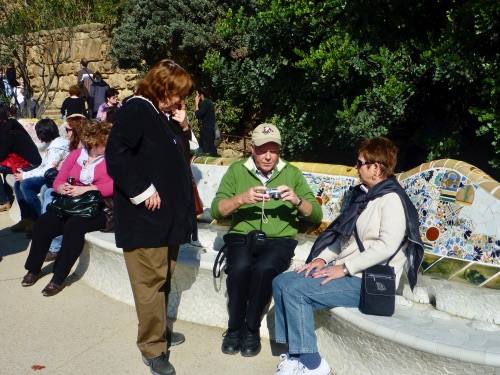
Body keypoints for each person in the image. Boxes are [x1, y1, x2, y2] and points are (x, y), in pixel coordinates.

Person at [271, 137, 424, 375]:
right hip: (350, 271)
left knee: (295, 291)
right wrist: (321, 259)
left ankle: (313, 365)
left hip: (368, 281)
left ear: (376, 167)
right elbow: (344, 238)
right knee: (281, 282)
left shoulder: (392, 199)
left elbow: (386, 246)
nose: (356, 167)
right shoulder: (365, 196)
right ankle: (294, 354)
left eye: (360, 162)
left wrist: (343, 268)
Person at [105, 59, 196, 375]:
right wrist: (142, 190)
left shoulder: (161, 116)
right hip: (145, 219)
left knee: (163, 280)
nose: (181, 100)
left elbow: (181, 153)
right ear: (163, 87)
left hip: (167, 221)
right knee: (150, 285)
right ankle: (152, 349)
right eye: (178, 93)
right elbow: (115, 153)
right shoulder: (137, 109)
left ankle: (159, 333)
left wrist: (183, 126)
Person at [210, 123, 323, 357]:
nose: (268, 156)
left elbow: (316, 215)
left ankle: (251, 329)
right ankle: (234, 328)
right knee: (239, 267)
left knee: (265, 269)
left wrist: (296, 200)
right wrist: (241, 198)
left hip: (280, 240)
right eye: (263, 149)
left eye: (273, 149)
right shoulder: (237, 170)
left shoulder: (291, 173)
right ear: (252, 148)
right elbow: (216, 211)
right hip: (242, 235)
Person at [21, 120, 113, 297]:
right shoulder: (77, 155)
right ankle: (33, 269)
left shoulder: (112, 158)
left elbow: (115, 186)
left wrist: (86, 189)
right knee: (44, 224)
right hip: (72, 204)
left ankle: (58, 277)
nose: (107, 145)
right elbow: (58, 180)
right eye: (103, 142)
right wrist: (62, 188)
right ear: (93, 143)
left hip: (98, 207)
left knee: (74, 226)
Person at [10, 119, 69, 234]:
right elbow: (43, 166)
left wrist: (25, 175)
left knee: (26, 185)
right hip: (49, 174)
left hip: (55, 177)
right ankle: (26, 218)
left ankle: (38, 220)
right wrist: (24, 174)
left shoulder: (57, 147)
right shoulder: (52, 144)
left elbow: (48, 170)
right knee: (18, 183)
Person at [42, 113, 87, 261]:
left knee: (50, 195)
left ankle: (55, 247)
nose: (65, 132)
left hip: (81, 185)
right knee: (45, 190)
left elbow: (80, 171)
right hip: (71, 181)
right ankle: (43, 232)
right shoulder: (72, 145)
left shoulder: (84, 146)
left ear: (76, 130)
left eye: (68, 129)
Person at [0, 104, 42, 212]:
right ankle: (7, 195)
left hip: (31, 164)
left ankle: (4, 201)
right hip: (31, 160)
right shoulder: (12, 125)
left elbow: (1, 154)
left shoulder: (7, 132)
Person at [193, 87, 217, 156]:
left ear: (201, 95)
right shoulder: (207, 103)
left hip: (207, 130)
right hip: (207, 129)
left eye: (197, 95)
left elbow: (196, 115)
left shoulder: (206, 103)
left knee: (208, 149)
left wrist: (196, 104)